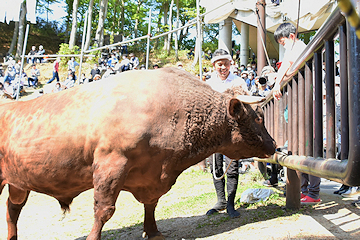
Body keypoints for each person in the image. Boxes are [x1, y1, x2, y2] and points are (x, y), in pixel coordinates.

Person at [271, 22, 320, 204]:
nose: (283, 46)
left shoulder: (299, 47)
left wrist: (277, 83)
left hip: (307, 103)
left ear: (291, 37)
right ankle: (305, 188)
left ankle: (313, 192)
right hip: (299, 103)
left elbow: (287, 65)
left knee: (309, 147)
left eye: (283, 42)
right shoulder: (296, 49)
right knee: (300, 146)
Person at [205, 49, 249, 218]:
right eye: (219, 64)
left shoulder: (238, 81)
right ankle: (221, 201)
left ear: (231, 64)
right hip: (215, 131)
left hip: (233, 131)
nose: (223, 67)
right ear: (214, 65)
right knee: (215, 167)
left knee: (232, 167)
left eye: (226, 63)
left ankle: (231, 203)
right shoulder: (208, 83)